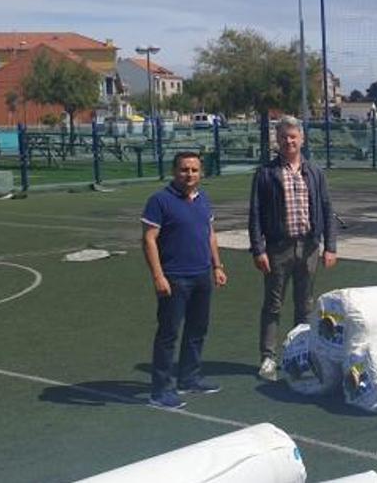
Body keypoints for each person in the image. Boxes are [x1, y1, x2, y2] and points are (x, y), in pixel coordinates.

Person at [248, 116, 338, 381]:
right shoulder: (266, 173)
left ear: (302, 139)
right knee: (273, 305)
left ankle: (300, 355)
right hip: (278, 248)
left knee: (305, 305)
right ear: (277, 140)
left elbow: (326, 209)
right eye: (284, 137)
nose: (289, 141)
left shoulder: (315, 172)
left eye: (293, 136)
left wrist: (330, 246)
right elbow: (255, 213)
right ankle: (268, 358)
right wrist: (258, 249)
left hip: (309, 247)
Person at [141, 151, 228, 409]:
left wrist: (217, 266)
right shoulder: (159, 201)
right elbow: (149, 240)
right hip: (175, 279)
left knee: (197, 330)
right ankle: (160, 390)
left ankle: (189, 378)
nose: (189, 174)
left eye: (194, 170)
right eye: (184, 169)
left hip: (202, 275)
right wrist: (158, 276)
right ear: (174, 171)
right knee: (168, 334)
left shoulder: (203, 199)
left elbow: (209, 234)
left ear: (200, 173)